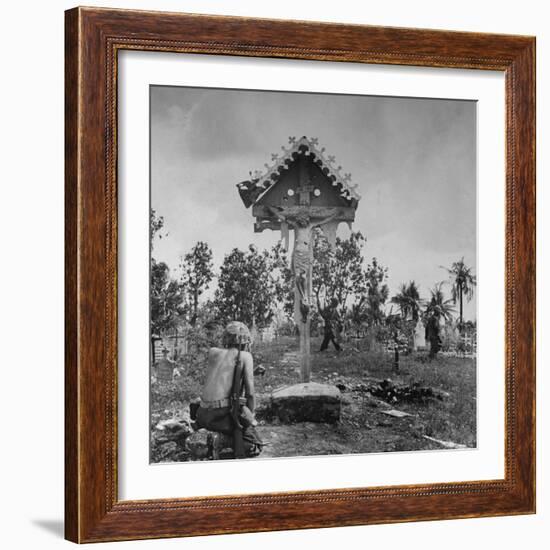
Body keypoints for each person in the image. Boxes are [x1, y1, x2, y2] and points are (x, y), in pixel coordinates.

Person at [195, 321, 263, 458]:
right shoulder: (245, 356)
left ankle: (208, 436)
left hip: (202, 415)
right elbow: (250, 394)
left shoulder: (212, 352)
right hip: (220, 418)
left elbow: (223, 375)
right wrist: (250, 419)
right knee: (254, 445)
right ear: (246, 340)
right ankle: (220, 441)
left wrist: (251, 373)